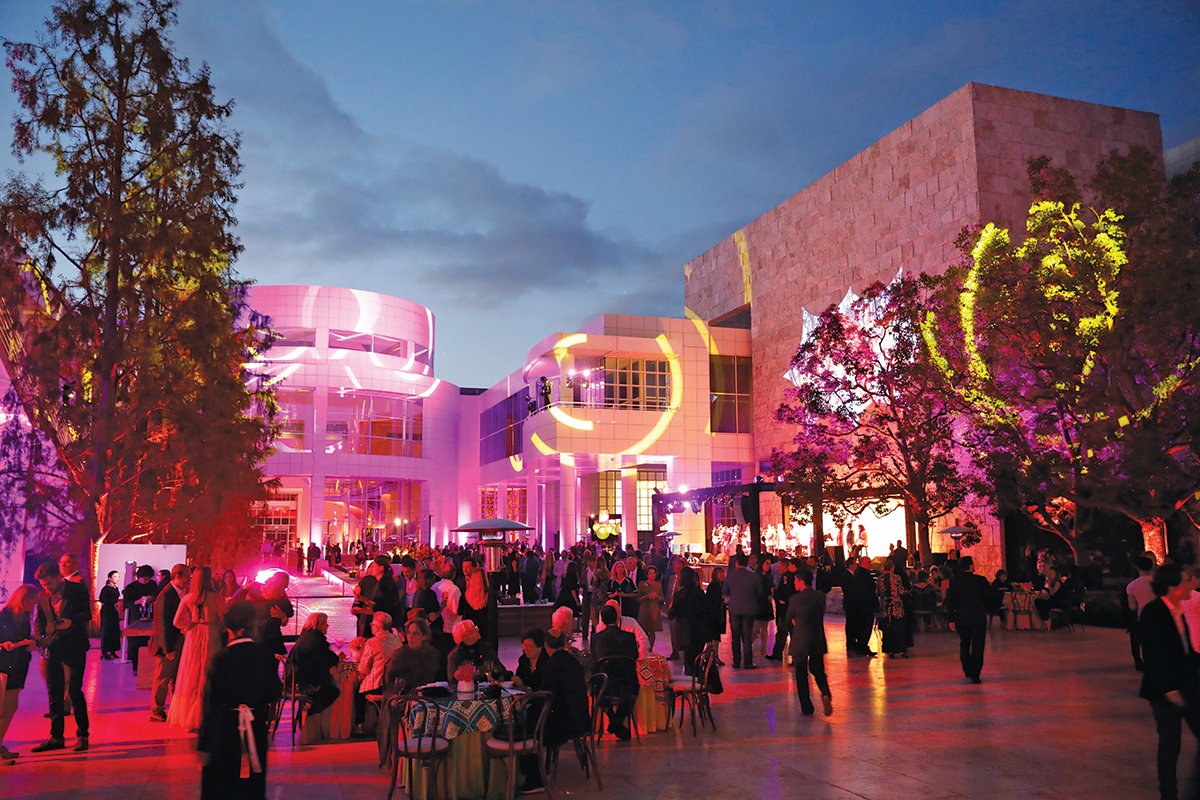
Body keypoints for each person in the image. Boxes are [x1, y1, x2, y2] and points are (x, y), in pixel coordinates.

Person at [197, 600, 282, 800]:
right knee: (252, 782)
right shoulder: (264, 655)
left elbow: (211, 702)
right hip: (255, 726)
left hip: (224, 729)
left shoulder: (222, 657)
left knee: (222, 783)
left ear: (229, 628)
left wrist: (203, 743)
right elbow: (274, 692)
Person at [1138, 563, 1200, 800]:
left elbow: (1183, 651)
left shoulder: (1177, 610)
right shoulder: (1154, 612)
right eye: (1185, 582)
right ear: (1172, 587)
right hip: (1165, 691)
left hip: (1186, 685)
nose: (1189, 586)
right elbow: (1153, 655)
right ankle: (1169, 794)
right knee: (1170, 743)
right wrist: (1169, 689)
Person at [32, 561, 91, 753]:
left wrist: (71, 622)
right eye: (43, 585)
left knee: (74, 690)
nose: (46, 588)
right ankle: (56, 737)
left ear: (59, 577)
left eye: (49, 583)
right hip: (52, 647)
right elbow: (39, 620)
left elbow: (85, 615)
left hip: (74, 645)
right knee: (54, 693)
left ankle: (82, 735)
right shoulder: (42, 596)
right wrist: (41, 638)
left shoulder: (76, 590)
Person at [169, 566, 225, 731]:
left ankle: (189, 718)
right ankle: (206, 716)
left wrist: (187, 627)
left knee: (191, 673)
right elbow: (224, 620)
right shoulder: (216, 598)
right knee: (208, 674)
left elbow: (176, 621)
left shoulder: (188, 598)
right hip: (211, 633)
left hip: (194, 635)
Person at [784, 569, 833, 717]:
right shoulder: (820, 597)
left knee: (801, 675)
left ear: (800, 581)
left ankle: (807, 707)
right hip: (817, 638)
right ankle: (825, 693)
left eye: (795, 581)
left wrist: (793, 621)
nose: (794, 583)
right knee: (818, 670)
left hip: (800, 639)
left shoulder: (794, 599)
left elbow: (787, 620)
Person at [0, 584, 39, 762]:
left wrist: (29, 643)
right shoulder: (5, 616)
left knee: (9, 708)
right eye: (31, 602)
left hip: (17, 666)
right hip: (5, 666)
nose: (32, 607)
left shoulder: (21, 616)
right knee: (6, 708)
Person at [591, 605, 638, 740]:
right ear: (617, 618)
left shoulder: (596, 638)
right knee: (632, 693)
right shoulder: (629, 637)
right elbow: (635, 657)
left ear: (603, 620)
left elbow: (595, 660)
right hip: (626, 682)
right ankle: (617, 721)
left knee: (597, 691)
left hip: (605, 684)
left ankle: (613, 719)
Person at [149, 564, 189, 723]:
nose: (189, 580)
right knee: (162, 677)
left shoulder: (177, 593)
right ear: (178, 576)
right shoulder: (166, 595)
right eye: (187, 576)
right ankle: (156, 709)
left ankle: (173, 707)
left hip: (175, 643)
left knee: (173, 677)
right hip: (167, 645)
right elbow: (162, 625)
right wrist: (168, 649)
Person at [944, 555, 990, 684]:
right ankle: (975, 674)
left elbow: (950, 602)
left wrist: (951, 619)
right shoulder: (981, 581)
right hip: (978, 617)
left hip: (961, 617)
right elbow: (988, 598)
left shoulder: (954, 582)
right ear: (970, 566)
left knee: (964, 643)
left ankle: (967, 669)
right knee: (978, 645)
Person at [356, 611, 402, 729]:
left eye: (372, 625)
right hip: (394, 684)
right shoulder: (397, 640)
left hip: (377, 684)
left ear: (377, 626)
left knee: (357, 692)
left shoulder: (372, 642)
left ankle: (360, 724)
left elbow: (363, 668)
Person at [289, 613, 340, 716]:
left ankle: (308, 714)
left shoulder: (305, 636)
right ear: (319, 625)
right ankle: (311, 716)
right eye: (325, 623)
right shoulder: (317, 639)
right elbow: (328, 660)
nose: (328, 626)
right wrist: (339, 657)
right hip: (307, 683)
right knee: (334, 691)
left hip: (294, 678)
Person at [723, 553, 764, 669]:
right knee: (747, 636)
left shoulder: (730, 576)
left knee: (735, 636)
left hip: (735, 609)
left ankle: (736, 662)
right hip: (749, 609)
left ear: (736, 563)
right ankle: (748, 662)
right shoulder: (753, 576)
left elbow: (725, 592)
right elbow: (760, 592)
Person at [667, 567, 708, 674]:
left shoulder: (679, 595)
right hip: (699, 630)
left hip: (685, 631)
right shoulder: (700, 593)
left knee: (688, 661)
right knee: (697, 659)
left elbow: (672, 614)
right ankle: (697, 682)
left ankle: (690, 684)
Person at [385, 618, 441, 693]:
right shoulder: (400, 653)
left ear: (424, 636)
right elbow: (390, 678)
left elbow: (429, 679)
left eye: (415, 633)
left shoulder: (432, 654)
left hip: (423, 695)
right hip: (399, 695)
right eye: (409, 633)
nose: (410, 636)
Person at [123, 564, 159, 674]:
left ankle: (148, 665)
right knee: (135, 642)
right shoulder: (131, 588)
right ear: (139, 577)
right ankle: (135, 666)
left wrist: (151, 598)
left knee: (149, 640)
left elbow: (156, 595)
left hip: (150, 615)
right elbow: (126, 604)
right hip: (136, 617)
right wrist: (138, 601)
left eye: (149, 578)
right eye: (145, 579)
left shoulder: (152, 584)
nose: (147, 581)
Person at [842, 557, 878, 657]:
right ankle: (862, 646)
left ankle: (860, 646)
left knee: (860, 627)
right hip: (865, 607)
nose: (871, 564)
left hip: (860, 607)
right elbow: (867, 592)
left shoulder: (858, 574)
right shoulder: (864, 575)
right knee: (865, 627)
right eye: (869, 562)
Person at [1128, 555, 1157, 671]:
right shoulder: (1157, 583)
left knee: (1142, 642)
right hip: (1159, 616)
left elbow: (1132, 606)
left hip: (1142, 617)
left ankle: (1140, 662)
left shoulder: (1132, 586)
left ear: (1137, 567)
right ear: (1152, 567)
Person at [875, 559, 910, 657]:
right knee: (898, 628)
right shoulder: (897, 577)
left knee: (887, 629)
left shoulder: (879, 579)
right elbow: (901, 591)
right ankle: (900, 649)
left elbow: (877, 592)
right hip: (896, 606)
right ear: (892, 568)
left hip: (885, 606)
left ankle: (890, 650)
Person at [768, 559, 798, 661]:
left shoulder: (788, 577)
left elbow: (786, 592)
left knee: (787, 632)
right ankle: (777, 653)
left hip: (787, 610)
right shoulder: (785, 576)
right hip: (785, 609)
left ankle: (793, 656)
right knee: (782, 633)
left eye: (780, 566)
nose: (778, 568)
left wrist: (779, 597)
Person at [636, 565, 665, 651]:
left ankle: (650, 649)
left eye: (654, 573)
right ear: (647, 574)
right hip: (644, 608)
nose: (652, 575)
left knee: (652, 630)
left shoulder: (658, 584)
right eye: (650, 573)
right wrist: (646, 596)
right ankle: (643, 647)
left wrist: (657, 596)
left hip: (654, 609)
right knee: (643, 629)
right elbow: (638, 598)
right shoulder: (642, 584)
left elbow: (662, 598)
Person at [98, 571, 121, 660]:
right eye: (115, 576)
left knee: (114, 631)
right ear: (109, 578)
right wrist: (113, 603)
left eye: (118, 577)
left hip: (114, 611)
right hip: (107, 611)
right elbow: (102, 599)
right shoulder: (106, 588)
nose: (117, 578)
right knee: (106, 631)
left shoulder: (116, 588)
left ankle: (112, 651)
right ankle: (104, 652)